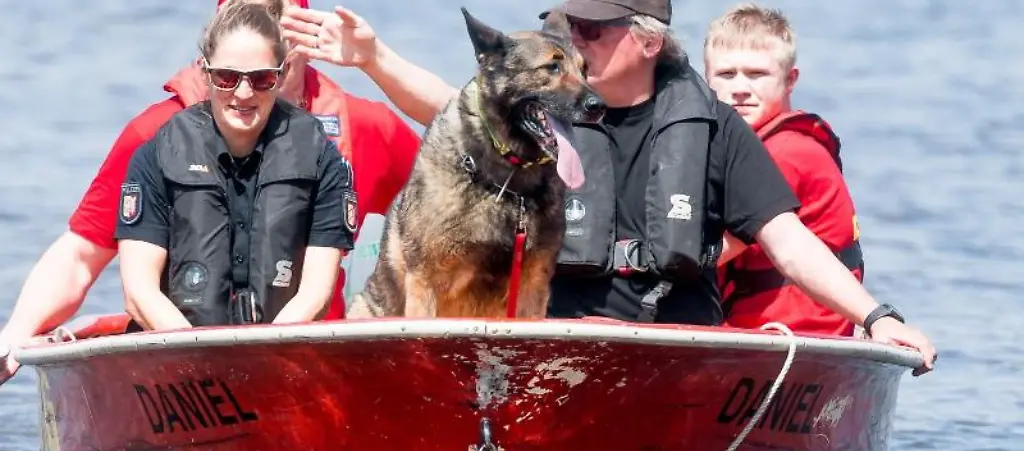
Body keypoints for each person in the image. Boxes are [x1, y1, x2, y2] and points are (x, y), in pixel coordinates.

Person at [280, 0, 937, 373]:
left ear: (648, 43)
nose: (575, 40)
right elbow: (451, 107)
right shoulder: (541, 110)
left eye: (592, 29)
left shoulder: (711, 128)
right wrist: (372, 57)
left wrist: (877, 319)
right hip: (554, 350)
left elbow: (790, 244)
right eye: (567, 26)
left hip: (664, 356)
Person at [0, 0, 420, 383]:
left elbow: (466, 183)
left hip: (307, 369)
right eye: (228, 74)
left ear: (304, 42)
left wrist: (376, 60)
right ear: (210, 58)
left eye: (278, 15)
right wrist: (15, 336)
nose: (244, 89)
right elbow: (81, 255)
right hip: (183, 370)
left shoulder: (363, 130)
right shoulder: (159, 138)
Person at [116, 2, 351, 329]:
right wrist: (199, 356)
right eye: (226, 77)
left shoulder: (322, 160)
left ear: (280, 76)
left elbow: (316, 292)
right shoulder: (155, 157)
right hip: (178, 356)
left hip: (279, 350)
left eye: (261, 79)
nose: (243, 93)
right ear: (205, 72)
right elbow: (140, 293)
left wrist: (264, 357)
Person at [704, 3, 863, 337]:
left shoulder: (787, 152)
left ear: (790, 79)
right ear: (706, 80)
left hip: (794, 332)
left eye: (757, 74)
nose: (740, 88)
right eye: (726, 74)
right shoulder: (744, 145)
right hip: (757, 326)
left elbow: (710, 255)